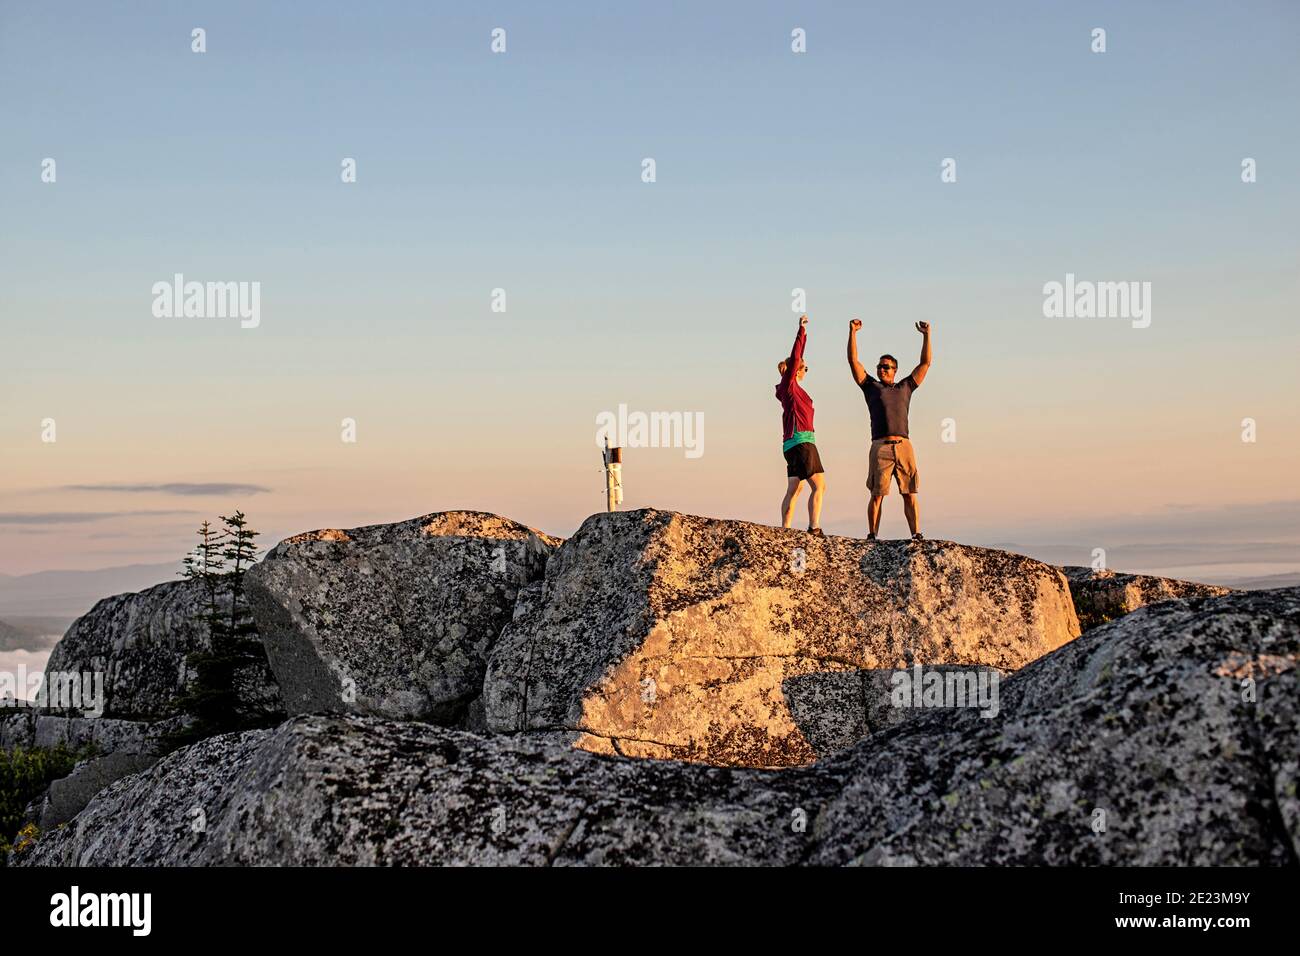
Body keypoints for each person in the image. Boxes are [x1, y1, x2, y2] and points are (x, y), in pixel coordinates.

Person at [846, 318, 932, 540]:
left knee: (910, 493)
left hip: (903, 446)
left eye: (886, 367)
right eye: (879, 366)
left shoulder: (905, 386)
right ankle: (872, 535)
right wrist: (853, 333)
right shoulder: (871, 387)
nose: (882, 369)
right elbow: (853, 361)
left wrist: (927, 335)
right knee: (877, 495)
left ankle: (916, 534)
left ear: (895, 370)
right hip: (880, 446)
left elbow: (925, 364)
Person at [775, 315, 826, 535]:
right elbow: (796, 357)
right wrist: (801, 332)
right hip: (802, 441)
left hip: (791, 444)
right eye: (805, 368)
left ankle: (785, 530)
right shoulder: (790, 386)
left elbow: (797, 359)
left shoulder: (789, 390)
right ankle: (814, 527)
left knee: (795, 488)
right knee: (819, 486)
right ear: (797, 370)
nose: (806, 371)